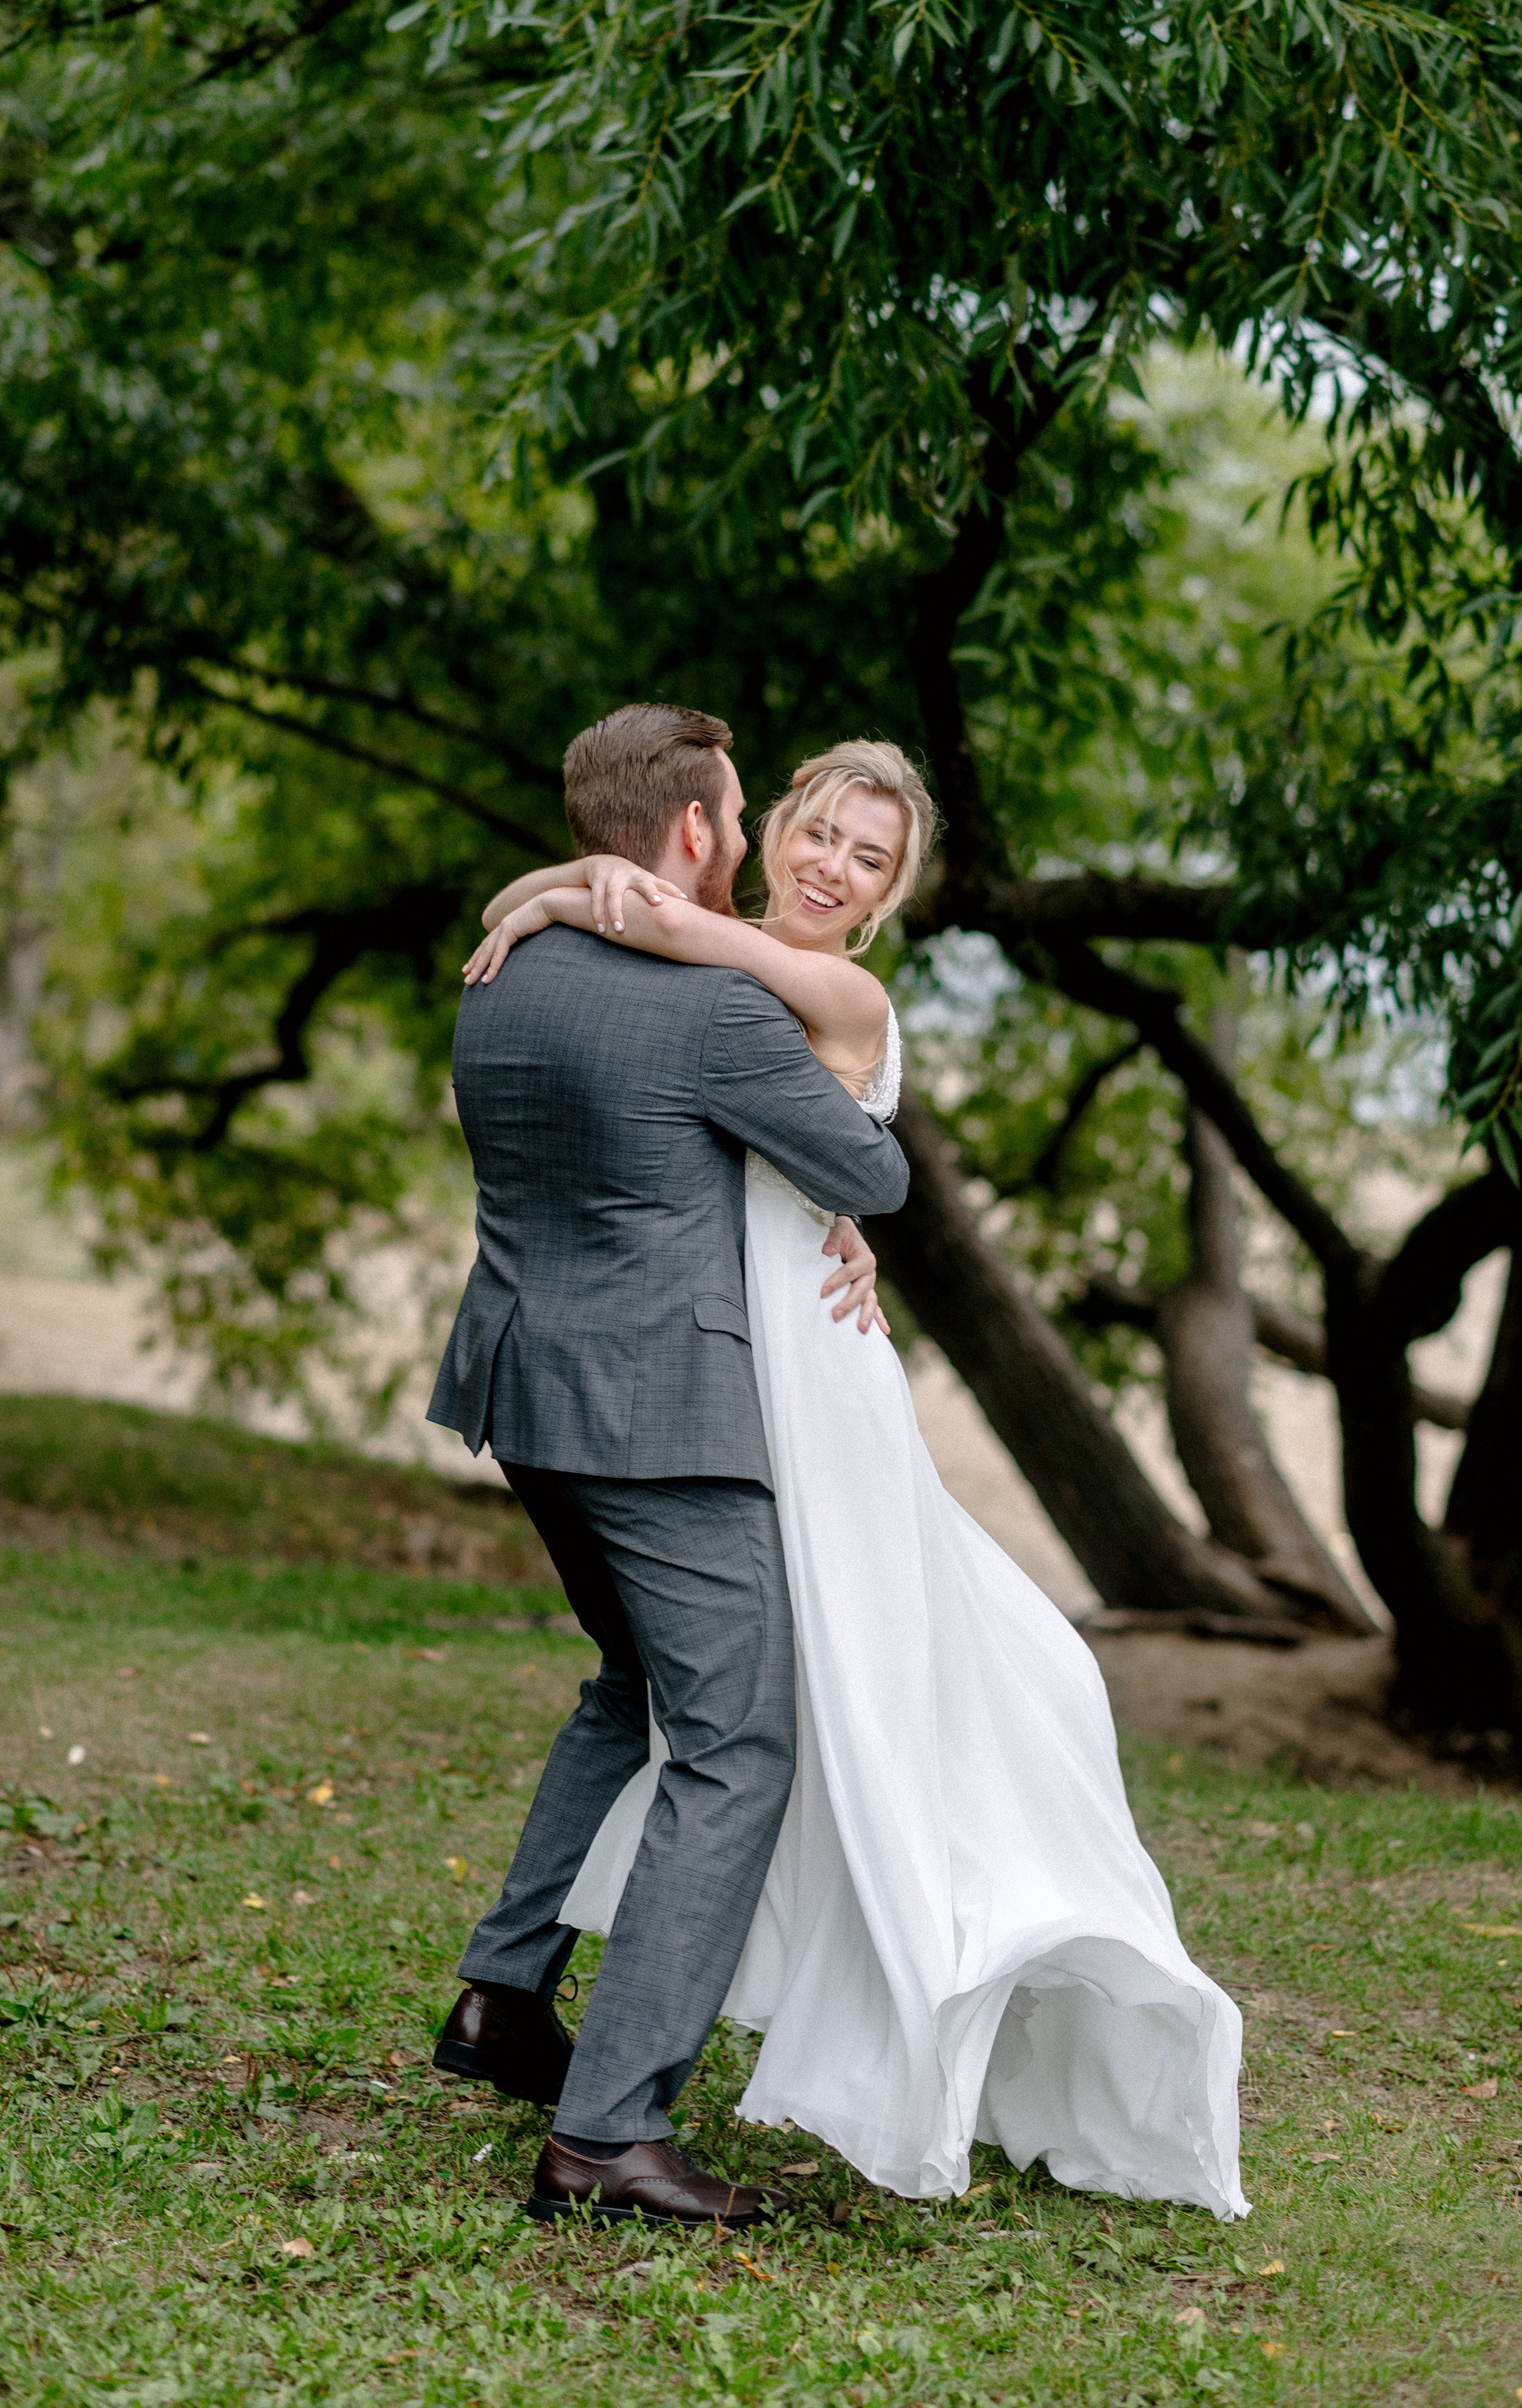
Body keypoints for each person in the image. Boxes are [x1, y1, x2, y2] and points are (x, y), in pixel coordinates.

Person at [461, 735, 1250, 2221]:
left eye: (865, 858)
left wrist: (567, 892)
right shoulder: (708, 967)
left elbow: (722, 992)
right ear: (750, 833)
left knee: (876, 1689)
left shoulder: (830, 988)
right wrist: (565, 888)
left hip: (793, 1383)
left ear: (890, 895)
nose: (826, 862)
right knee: (691, 1702)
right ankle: (547, 2041)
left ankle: (870, 1969)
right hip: (710, 1376)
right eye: (812, 830)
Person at [427, 705, 909, 2231]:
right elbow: (873, 1169)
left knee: (630, 1679)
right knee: (736, 1741)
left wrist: (547, 890)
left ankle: (503, 1996)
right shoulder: (711, 1010)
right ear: (698, 832)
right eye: (762, 813)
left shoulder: (499, 978)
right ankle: (606, 2131)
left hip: (521, 1387)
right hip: (662, 1414)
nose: (795, 843)